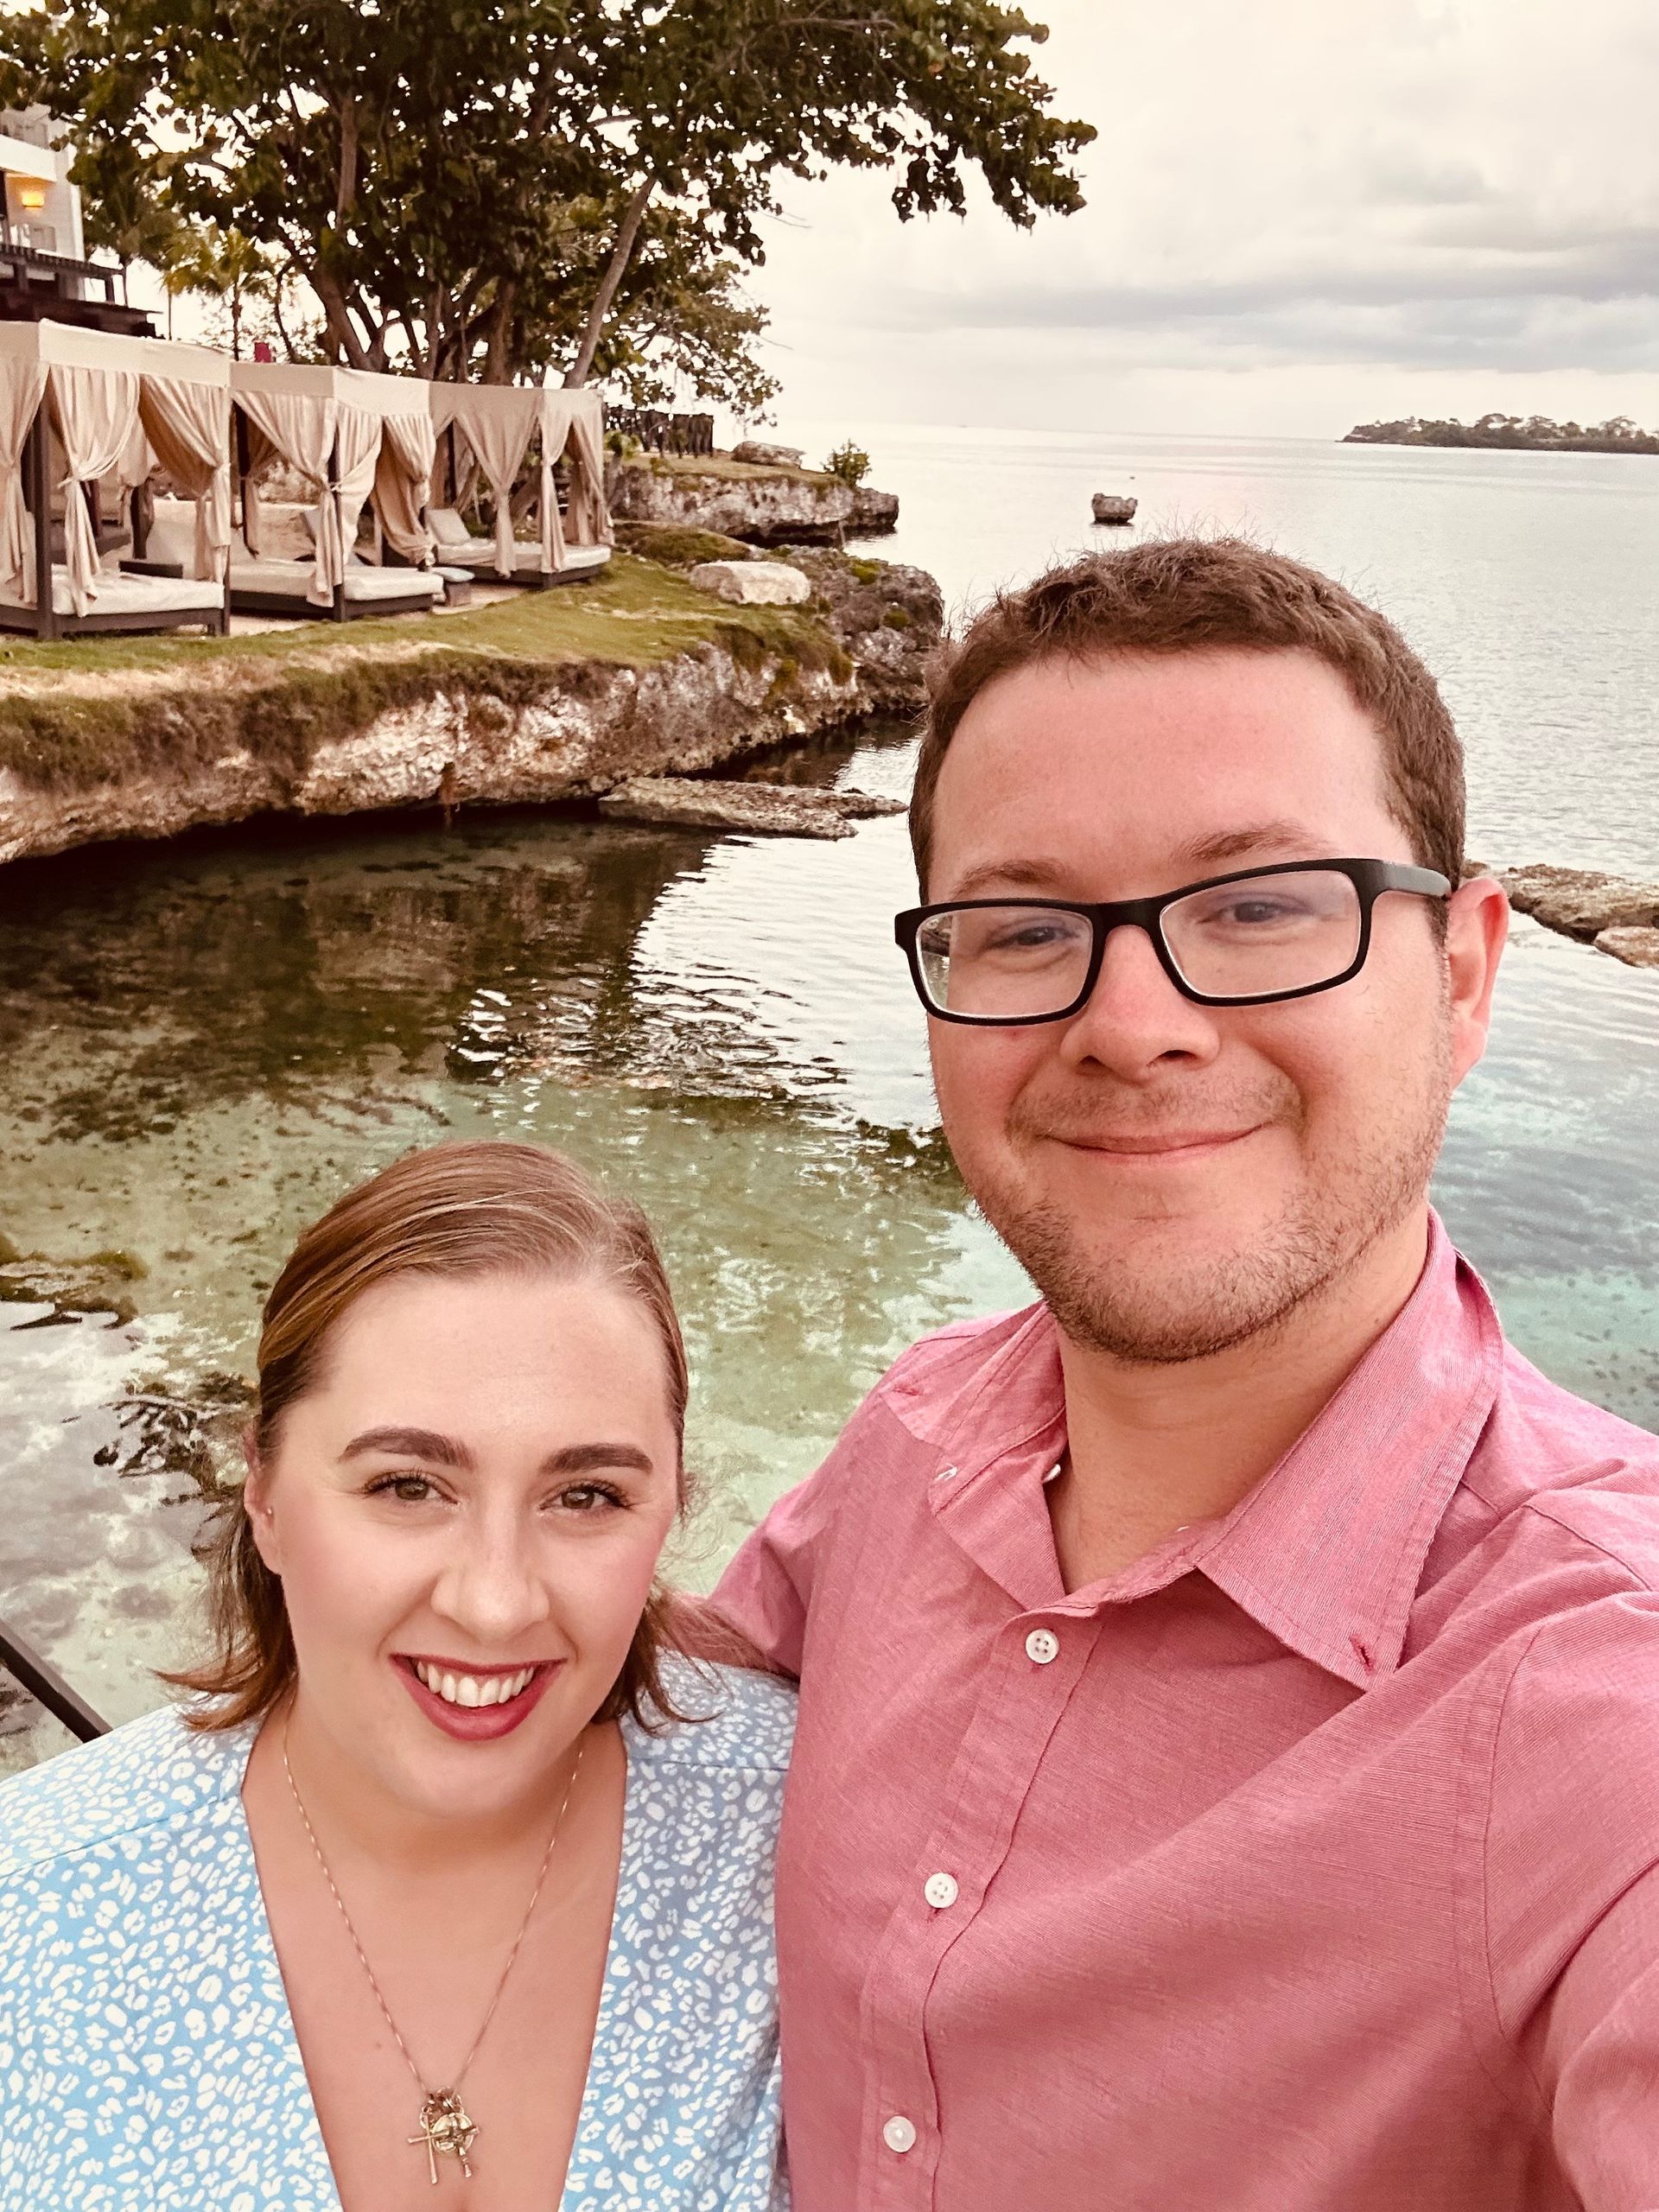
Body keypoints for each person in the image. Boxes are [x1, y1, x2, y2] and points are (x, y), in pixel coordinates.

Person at [708, 537, 1659, 2211]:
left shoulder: (1594, 1687)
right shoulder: (920, 1432)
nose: (1133, 1021)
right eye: (1021, 925)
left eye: (1263, 906)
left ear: (1463, 969)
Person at [0, 1142, 793, 2212]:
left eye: (588, 1495)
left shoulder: (803, 1831)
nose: (497, 1601)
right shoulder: (38, 1904)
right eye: (408, 1483)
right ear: (267, 1495)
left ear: (670, 1511)